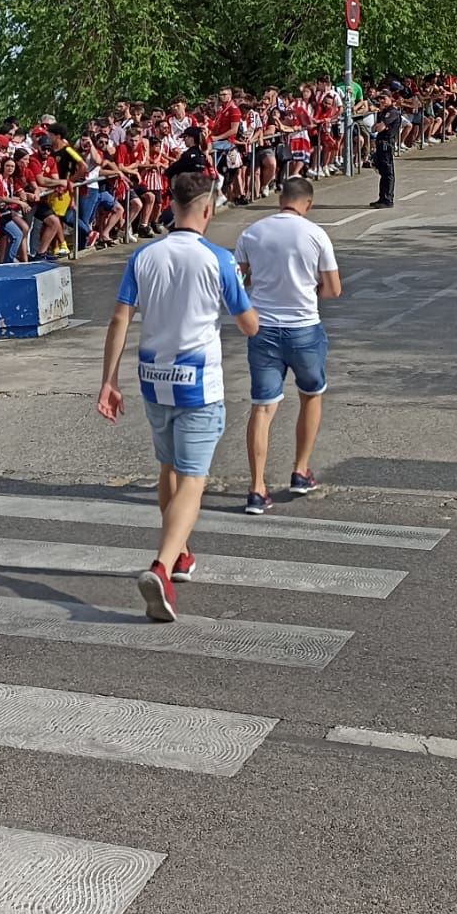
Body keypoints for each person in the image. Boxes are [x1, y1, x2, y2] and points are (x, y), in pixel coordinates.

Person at [97, 171, 260, 622]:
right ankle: (162, 567)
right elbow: (249, 325)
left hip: (153, 376)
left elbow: (119, 319)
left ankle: (181, 553)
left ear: (170, 206)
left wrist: (109, 380)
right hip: (198, 382)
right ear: (208, 209)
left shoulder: (144, 255)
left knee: (167, 467)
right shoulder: (219, 259)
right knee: (193, 478)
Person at [233, 177, 340, 514]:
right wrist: (311, 289)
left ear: (281, 199)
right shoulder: (315, 234)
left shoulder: (252, 232)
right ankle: (300, 470)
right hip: (304, 328)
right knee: (310, 396)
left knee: (262, 408)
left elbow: (238, 280)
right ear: (307, 203)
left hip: (263, 329)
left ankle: (256, 488)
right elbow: (333, 289)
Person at [367, 92, 405, 208]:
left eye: (384, 98)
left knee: (388, 173)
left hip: (386, 144)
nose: (381, 101)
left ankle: (388, 199)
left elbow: (380, 127)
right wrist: (380, 126)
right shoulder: (382, 112)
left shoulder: (392, 112)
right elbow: (374, 129)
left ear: (390, 98)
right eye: (380, 99)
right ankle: (382, 197)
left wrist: (381, 126)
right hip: (380, 143)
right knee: (383, 172)